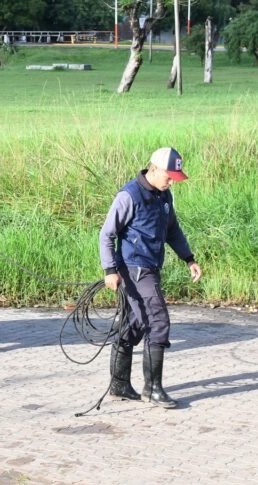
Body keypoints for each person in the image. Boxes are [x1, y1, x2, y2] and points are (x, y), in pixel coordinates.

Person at [99, 147, 202, 409]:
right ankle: (152, 389)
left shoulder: (164, 196)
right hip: (134, 269)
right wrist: (110, 270)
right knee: (158, 320)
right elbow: (107, 234)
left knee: (136, 323)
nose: (171, 182)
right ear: (154, 170)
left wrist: (188, 258)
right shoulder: (129, 195)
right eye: (169, 177)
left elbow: (172, 230)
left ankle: (119, 384)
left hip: (151, 267)